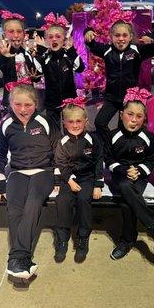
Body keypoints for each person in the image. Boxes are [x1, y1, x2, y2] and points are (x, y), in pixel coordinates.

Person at [0, 84, 61, 279]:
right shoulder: (6, 125)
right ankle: (20, 261)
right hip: (17, 172)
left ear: (36, 104)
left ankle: (17, 257)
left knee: (33, 203)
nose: (23, 110)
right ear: (10, 103)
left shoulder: (45, 122)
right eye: (18, 104)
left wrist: (56, 176)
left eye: (28, 105)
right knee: (14, 209)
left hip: (43, 171)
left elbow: (58, 149)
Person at [104, 87, 154, 260]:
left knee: (127, 203)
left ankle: (127, 240)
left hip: (140, 176)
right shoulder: (113, 135)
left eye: (139, 116)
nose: (133, 120)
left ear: (144, 119)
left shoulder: (148, 136)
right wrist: (124, 169)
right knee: (125, 185)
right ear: (121, 114)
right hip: (120, 175)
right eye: (129, 114)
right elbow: (108, 160)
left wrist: (140, 170)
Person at [84, 19, 154, 144]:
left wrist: (152, 39)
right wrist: (88, 31)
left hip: (129, 99)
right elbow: (92, 44)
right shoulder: (107, 50)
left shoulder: (137, 50)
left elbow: (151, 49)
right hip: (111, 98)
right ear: (111, 37)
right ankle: (111, 143)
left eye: (125, 35)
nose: (121, 39)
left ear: (130, 37)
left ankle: (123, 148)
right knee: (100, 122)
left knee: (124, 127)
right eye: (117, 35)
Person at [54, 96, 103, 263]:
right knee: (62, 201)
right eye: (70, 122)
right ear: (64, 123)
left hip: (87, 178)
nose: (75, 125)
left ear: (86, 121)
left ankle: (83, 238)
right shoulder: (62, 142)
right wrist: (69, 181)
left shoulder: (92, 140)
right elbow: (61, 163)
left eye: (78, 121)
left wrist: (98, 184)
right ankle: (62, 238)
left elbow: (98, 162)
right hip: (68, 179)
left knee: (83, 200)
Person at [35, 12, 85, 127]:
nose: (54, 40)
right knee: (54, 130)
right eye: (51, 37)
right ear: (47, 39)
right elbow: (37, 72)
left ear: (64, 38)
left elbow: (80, 68)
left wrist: (72, 51)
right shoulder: (45, 57)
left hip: (70, 101)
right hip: (52, 104)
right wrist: (40, 51)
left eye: (58, 36)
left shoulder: (68, 56)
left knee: (70, 127)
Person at [0, 10, 42, 108]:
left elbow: (37, 73)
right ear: (4, 34)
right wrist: (4, 58)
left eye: (19, 31)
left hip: (28, 101)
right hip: (11, 103)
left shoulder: (26, 54)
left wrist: (35, 77)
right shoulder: (2, 55)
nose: (16, 35)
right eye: (11, 31)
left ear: (24, 34)